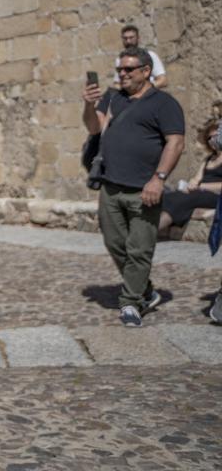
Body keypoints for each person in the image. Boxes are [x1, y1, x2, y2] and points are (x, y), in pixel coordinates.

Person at [83, 46, 185, 327]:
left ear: (146, 71)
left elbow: (175, 143)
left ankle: (130, 303)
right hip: (111, 186)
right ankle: (146, 290)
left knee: (140, 249)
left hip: (145, 189)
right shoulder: (113, 98)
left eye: (128, 69)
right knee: (116, 244)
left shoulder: (164, 104)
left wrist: (159, 178)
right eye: (119, 69)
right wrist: (89, 105)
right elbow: (94, 128)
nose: (122, 74)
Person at [112, 25, 167, 89]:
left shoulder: (150, 55)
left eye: (131, 38)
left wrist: (144, 90)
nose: (128, 41)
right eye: (125, 38)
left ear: (138, 38)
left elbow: (163, 81)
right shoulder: (120, 60)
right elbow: (116, 83)